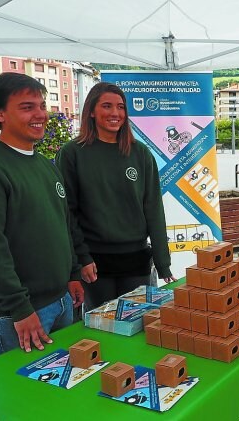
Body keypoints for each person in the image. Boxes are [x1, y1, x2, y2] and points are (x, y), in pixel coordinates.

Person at [0, 72, 83, 357]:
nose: (40, 114)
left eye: (41, 105)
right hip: (15, 314)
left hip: (59, 300)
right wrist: (20, 308)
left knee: (60, 393)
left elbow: (62, 225)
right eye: (27, 107)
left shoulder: (45, 165)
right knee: (22, 397)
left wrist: (73, 273)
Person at [56, 82, 175, 313]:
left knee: (140, 324)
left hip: (136, 259)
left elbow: (153, 209)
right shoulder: (72, 153)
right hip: (94, 262)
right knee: (102, 327)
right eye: (107, 106)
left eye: (120, 107)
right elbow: (67, 212)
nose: (115, 113)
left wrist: (163, 262)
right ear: (91, 110)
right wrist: (81, 258)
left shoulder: (139, 153)